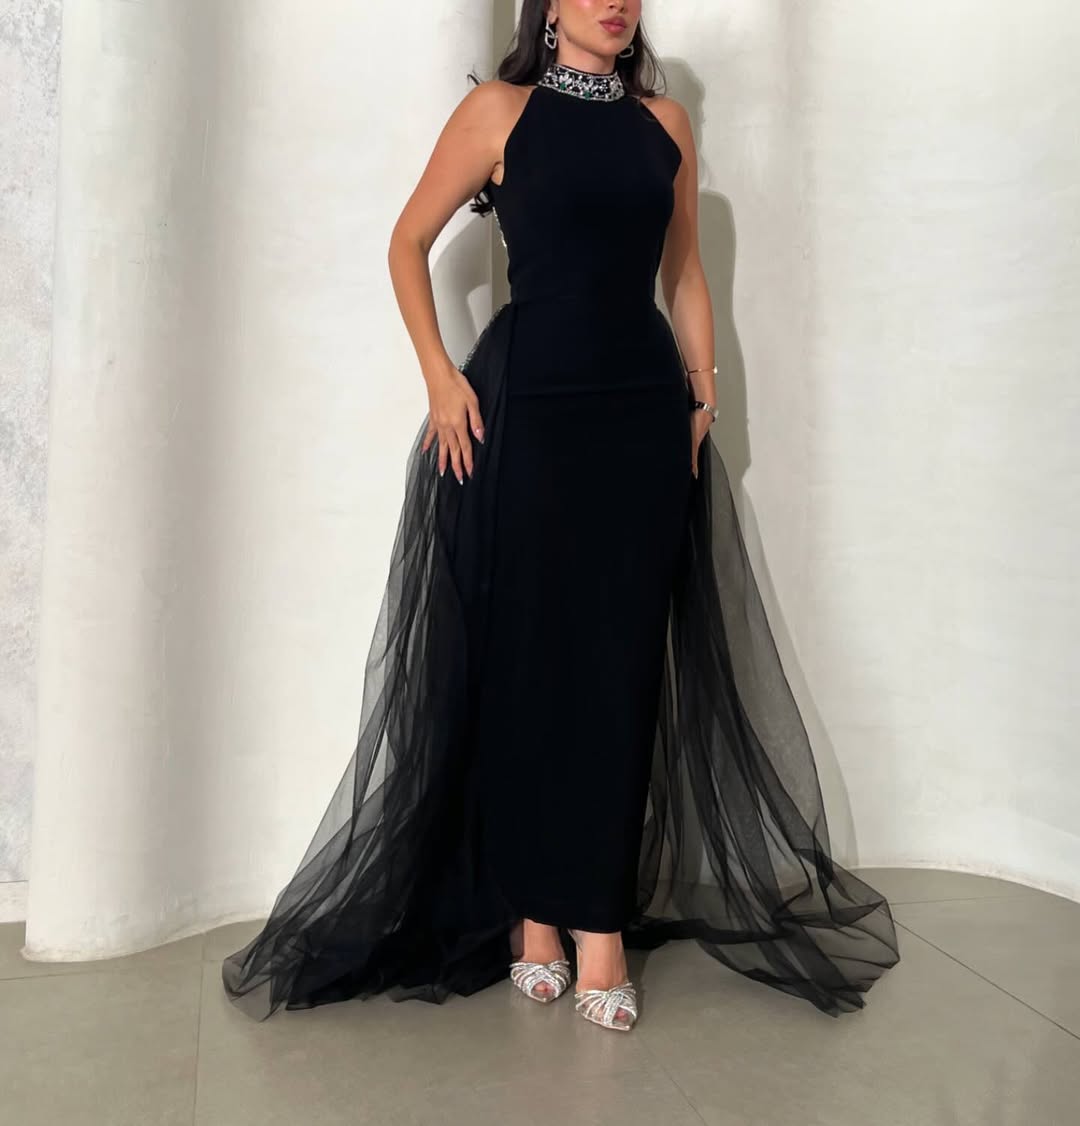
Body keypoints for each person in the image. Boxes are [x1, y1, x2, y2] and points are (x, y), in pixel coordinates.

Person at [221, 0, 900, 1033]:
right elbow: (406, 242)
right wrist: (440, 379)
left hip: (639, 418)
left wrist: (704, 396)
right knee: (532, 660)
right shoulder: (500, 113)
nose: (615, 1)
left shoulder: (664, 125)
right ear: (548, 8)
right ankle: (535, 915)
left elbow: (683, 271)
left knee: (621, 666)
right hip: (529, 413)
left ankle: (600, 923)